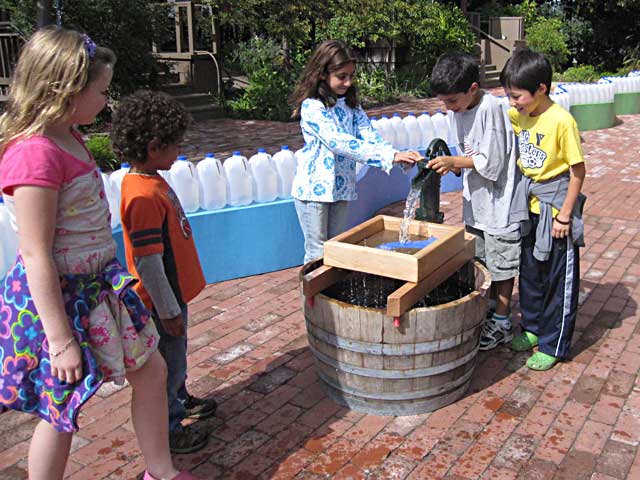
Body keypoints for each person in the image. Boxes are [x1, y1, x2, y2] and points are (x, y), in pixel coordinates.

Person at [0, 27, 200, 480]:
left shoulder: (69, 135)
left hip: (97, 288)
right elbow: (35, 253)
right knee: (61, 407)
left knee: (151, 371)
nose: (106, 102)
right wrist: (60, 341)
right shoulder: (35, 155)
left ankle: (160, 471)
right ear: (65, 90)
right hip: (62, 301)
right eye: (102, 91)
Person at [111, 90, 217, 454]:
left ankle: (180, 396)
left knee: (177, 355)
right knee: (167, 361)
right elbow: (148, 261)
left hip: (171, 297)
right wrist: (168, 310)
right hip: (160, 301)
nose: (179, 151)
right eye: (176, 145)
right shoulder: (141, 196)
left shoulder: (150, 179)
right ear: (154, 147)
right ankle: (171, 426)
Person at [289, 39, 421, 263]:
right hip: (314, 191)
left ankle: (329, 297)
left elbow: (369, 136)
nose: (348, 82)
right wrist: (388, 157)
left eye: (351, 76)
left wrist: (397, 156)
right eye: (342, 76)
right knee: (317, 253)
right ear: (322, 73)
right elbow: (337, 141)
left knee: (336, 248)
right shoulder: (313, 107)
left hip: (341, 187)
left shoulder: (351, 105)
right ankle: (311, 299)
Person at [427, 52, 521, 351]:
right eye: (444, 102)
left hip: (499, 203)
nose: (449, 108)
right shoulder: (461, 110)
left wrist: (457, 160)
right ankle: (492, 309)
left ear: (472, 88)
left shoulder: (491, 109)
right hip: (477, 202)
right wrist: (451, 164)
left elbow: (491, 164)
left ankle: (503, 321)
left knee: (502, 265)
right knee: (482, 260)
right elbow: (469, 155)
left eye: (452, 101)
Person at [500, 48, 586, 371]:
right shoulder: (518, 114)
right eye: (509, 96)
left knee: (557, 279)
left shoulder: (562, 121)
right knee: (531, 274)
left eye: (517, 96)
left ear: (541, 89)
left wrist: (565, 216)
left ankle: (554, 343)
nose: (513, 103)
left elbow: (578, 172)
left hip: (556, 210)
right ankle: (533, 329)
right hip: (531, 209)